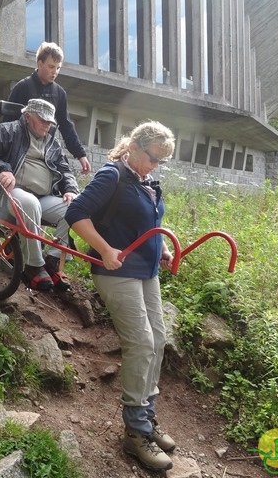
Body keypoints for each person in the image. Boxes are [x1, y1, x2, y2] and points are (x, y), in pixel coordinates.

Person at [65, 121, 176, 471]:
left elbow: (143, 225)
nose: (156, 166)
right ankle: (135, 432)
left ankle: (147, 417)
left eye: (162, 161)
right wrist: (105, 248)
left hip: (146, 271)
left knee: (158, 340)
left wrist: (160, 250)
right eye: (154, 158)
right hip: (116, 271)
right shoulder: (112, 175)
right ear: (135, 148)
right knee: (141, 342)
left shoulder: (147, 181)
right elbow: (75, 214)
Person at [0, 98, 79, 291]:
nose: (48, 125)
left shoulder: (53, 143)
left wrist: (70, 189)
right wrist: (3, 168)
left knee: (76, 207)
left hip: (44, 197)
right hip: (10, 193)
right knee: (30, 204)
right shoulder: (6, 131)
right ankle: (33, 265)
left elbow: (65, 171)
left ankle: (52, 260)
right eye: (43, 120)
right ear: (28, 116)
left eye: (50, 122)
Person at [5, 42, 91, 175]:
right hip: (21, 155)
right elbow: (8, 124)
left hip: (47, 154)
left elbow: (66, 125)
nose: (55, 72)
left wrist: (80, 154)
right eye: (51, 66)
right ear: (40, 64)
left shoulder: (60, 93)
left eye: (58, 68)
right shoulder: (22, 87)